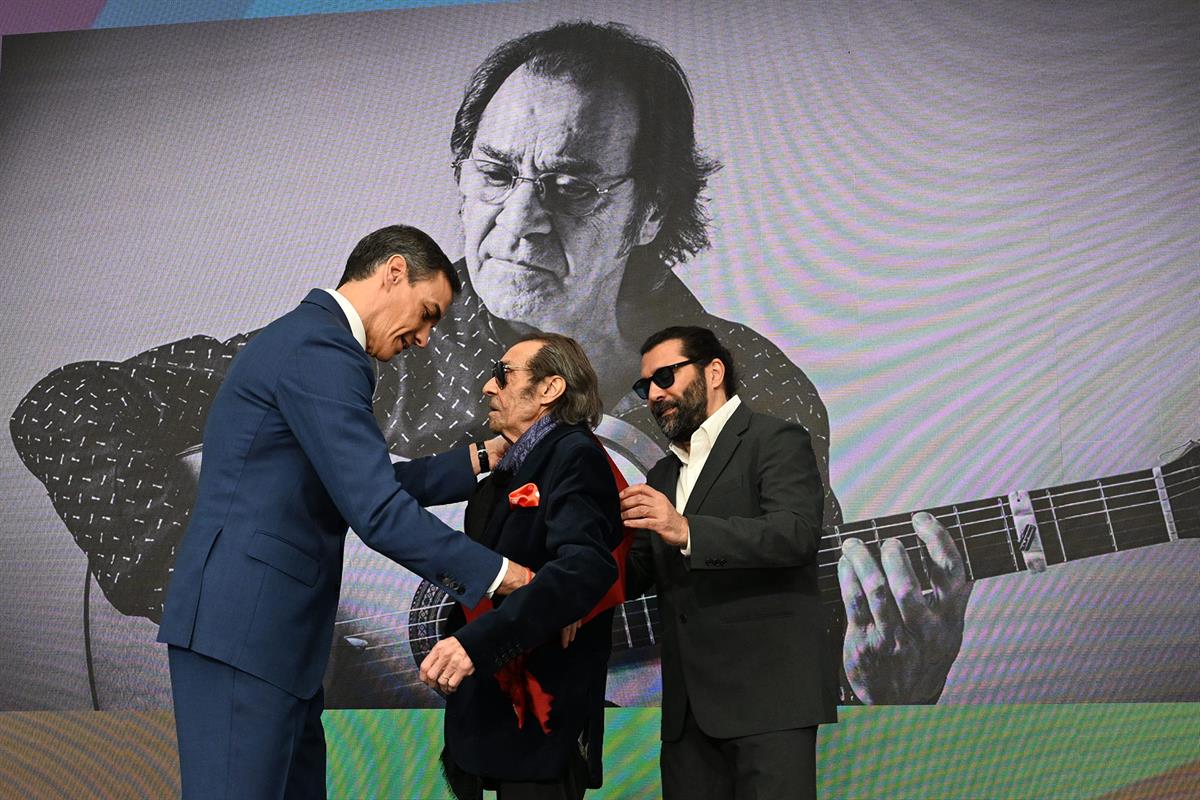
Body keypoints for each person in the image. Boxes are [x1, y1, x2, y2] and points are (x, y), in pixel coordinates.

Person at [9, 21, 958, 705]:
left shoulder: (751, 394)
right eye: (498, 173)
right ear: (462, 173)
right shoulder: (373, 341)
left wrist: (884, 694)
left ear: (655, 207)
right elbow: (67, 405)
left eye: (575, 183)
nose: (520, 218)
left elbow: (757, 672)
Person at [156, 224, 527, 798]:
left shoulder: (315, 342)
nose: (427, 337)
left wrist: (479, 458)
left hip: (275, 639)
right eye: (428, 313)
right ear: (394, 272)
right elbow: (373, 508)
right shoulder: (320, 348)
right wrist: (500, 576)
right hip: (248, 631)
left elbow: (354, 482)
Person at [622, 325, 838, 800]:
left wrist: (687, 530)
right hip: (687, 717)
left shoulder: (777, 439)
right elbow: (633, 572)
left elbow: (795, 534)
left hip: (769, 704)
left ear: (714, 371)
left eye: (665, 377)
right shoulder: (661, 473)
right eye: (645, 386)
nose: (654, 395)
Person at [420, 333, 623, 800]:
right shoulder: (514, 463)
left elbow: (584, 568)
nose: (488, 387)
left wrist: (478, 644)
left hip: (541, 720)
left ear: (551, 389)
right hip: (490, 718)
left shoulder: (575, 455)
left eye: (503, 374)